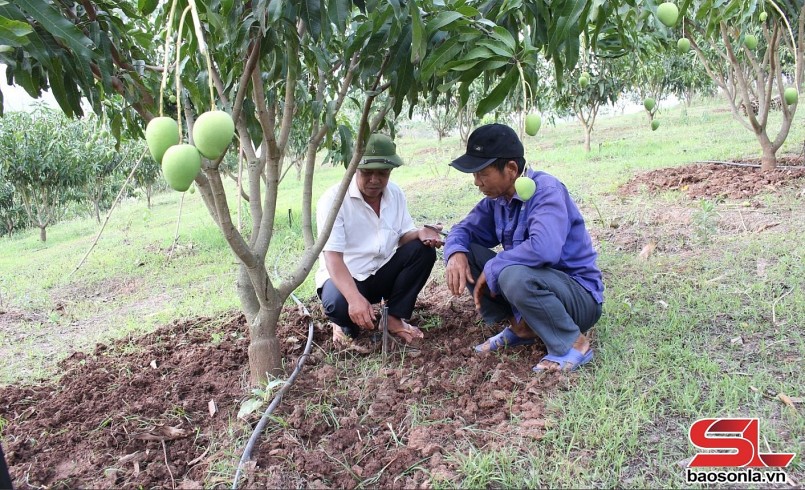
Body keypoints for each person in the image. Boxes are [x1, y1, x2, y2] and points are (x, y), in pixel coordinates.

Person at [443, 123, 604, 372]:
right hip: (540, 290)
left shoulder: (546, 191)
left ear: (511, 169)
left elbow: (544, 249)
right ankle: (523, 328)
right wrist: (455, 253)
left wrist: (495, 265)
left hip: (578, 299)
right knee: (468, 251)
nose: (476, 182)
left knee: (512, 274)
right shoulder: (497, 200)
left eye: (482, 173)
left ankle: (573, 344)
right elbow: (463, 230)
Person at [315, 133, 444, 350]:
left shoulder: (395, 194)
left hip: (381, 272)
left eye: (383, 173)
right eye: (367, 172)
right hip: (348, 277)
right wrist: (354, 299)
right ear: (354, 168)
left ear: (391, 171)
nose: (375, 180)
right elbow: (333, 259)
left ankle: (393, 317)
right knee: (339, 306)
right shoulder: (334, 200)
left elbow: (402, 237)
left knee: (422, 251)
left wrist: (420, 233)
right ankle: (343, 323)